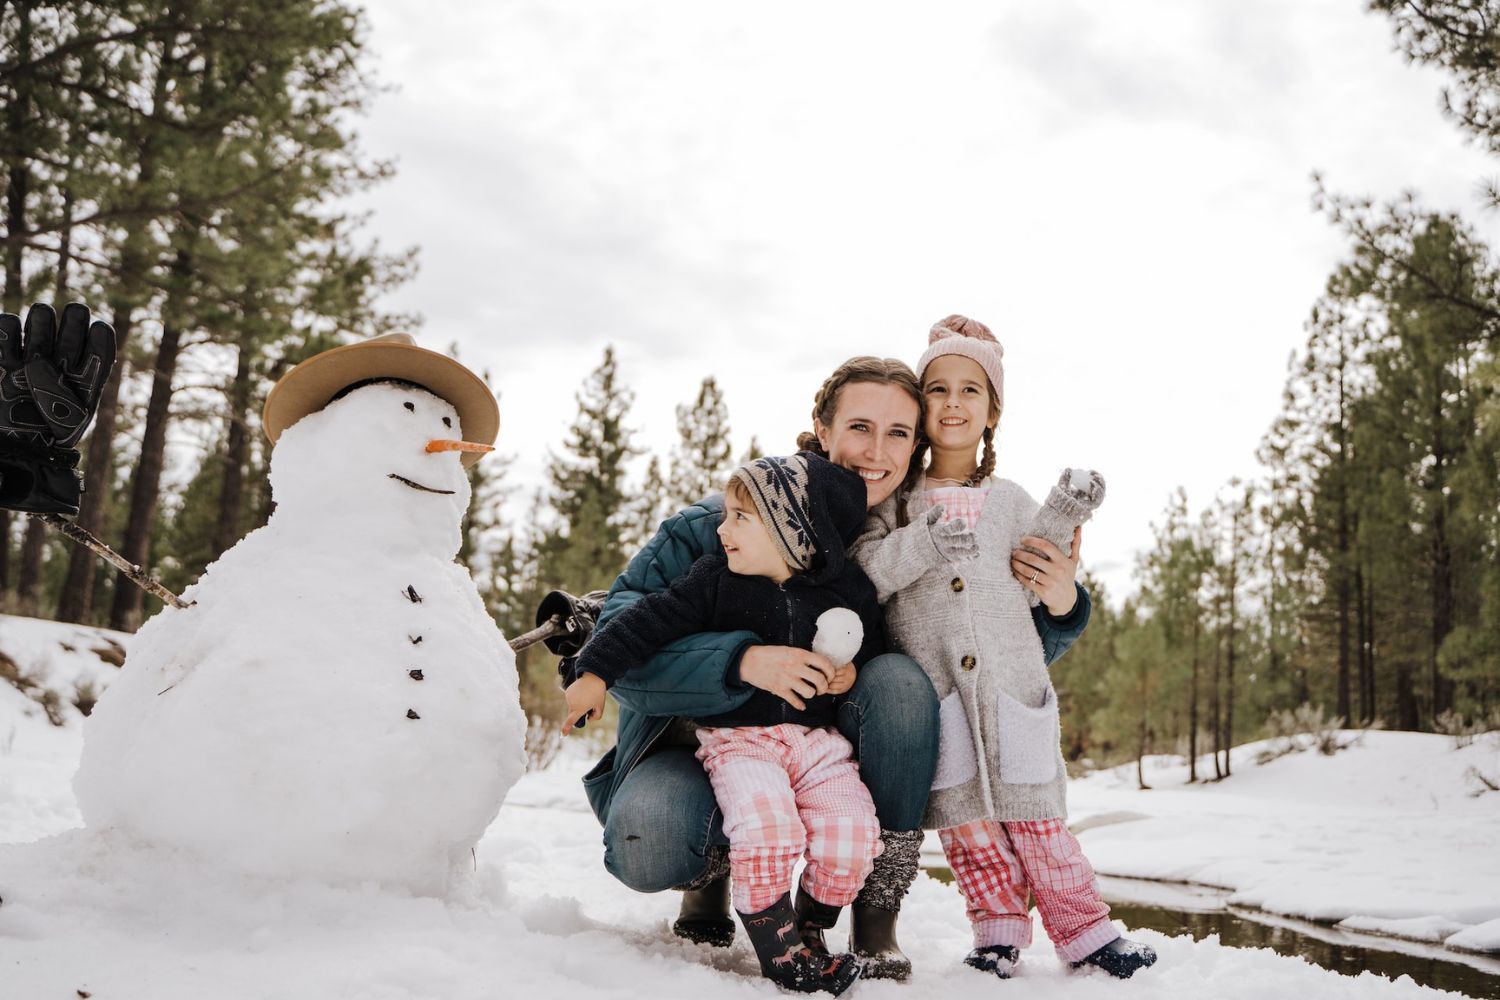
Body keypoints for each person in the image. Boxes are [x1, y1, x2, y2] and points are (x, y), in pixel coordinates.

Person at [578, 355, 1093, 981]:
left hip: (823, 749)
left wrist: (1063, 606)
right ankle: (710, 874)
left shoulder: (916, 535)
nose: (877, 450)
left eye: (899, 433)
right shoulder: (722, 525)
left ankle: (875, 913)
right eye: (859, 427)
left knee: (903, 684)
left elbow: (985, 659)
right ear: (821, 430)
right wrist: (742, 661)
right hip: (696, 746)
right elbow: (618, 641)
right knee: (651, 836)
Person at [851, 315, 1157, 980]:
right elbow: (869, 572)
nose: (953, 403)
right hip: (940, 697)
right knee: (969, 828)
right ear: (919, 404)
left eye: (971, 390)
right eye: (938, 389)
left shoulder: (1011, 500)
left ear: (993, 411)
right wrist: (927, 539)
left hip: (1013, 690)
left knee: (1039, 821)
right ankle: (996, 932)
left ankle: (1086, 932)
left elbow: (1046, 561)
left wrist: (1069, 510)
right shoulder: (895, 505)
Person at [564, 453, 880, 995]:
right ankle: (779, 949)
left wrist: (848, 676)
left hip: (815, 744)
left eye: (740, 517)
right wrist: (593, 672)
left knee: (853, 833)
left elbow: (872, 642)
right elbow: (646, 621)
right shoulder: (714, 581)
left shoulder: (841, 592)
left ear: (792, 531)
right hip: (742, 744)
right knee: (767, 830)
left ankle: (810, 921)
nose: (722, 527)